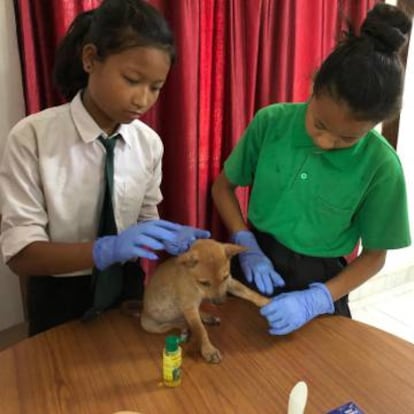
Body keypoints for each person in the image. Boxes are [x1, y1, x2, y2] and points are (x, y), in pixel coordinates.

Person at [0, 0, 210, 336]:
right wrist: (103, 250)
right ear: (89, 59)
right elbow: (21, 256)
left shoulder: (149, 143)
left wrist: (168, 239)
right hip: (59, 300)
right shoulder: (33, 138)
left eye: (155, 88)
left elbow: (143, 218)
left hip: (128, 290)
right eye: (131, 80)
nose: (143, 100)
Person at [212, 3, 412, 335]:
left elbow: (375, 256)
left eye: (346, 138)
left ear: (374, 125)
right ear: (314, 86)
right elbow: (223, 188)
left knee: (317, 376)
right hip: (255, 259)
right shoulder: (271, 123)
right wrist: (246, 245)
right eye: (319, 124)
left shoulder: (382, 167)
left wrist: (318, 299)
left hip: (322, 281)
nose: (325, 142)